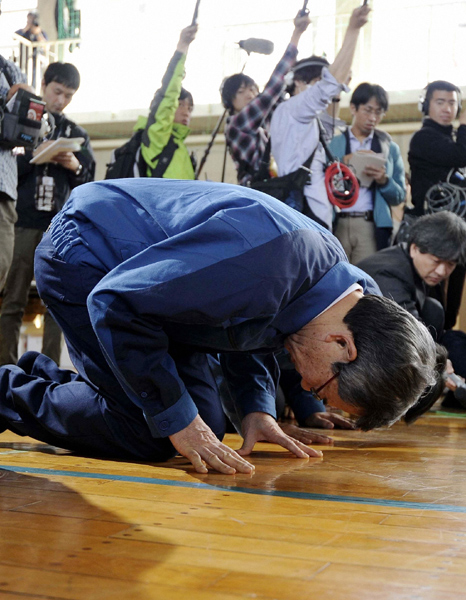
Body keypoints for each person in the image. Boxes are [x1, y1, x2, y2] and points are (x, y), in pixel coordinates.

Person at [0, 180, 437, 474]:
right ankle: (6, 390)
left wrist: (257, 408)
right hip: (86, 254)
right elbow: (115, 301)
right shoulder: (268, 264)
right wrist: (174, 419)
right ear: (342, 343)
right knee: (152, 432)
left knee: (203, 423)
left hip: (160, 304)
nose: (303, 384)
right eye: (319, 388)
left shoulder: (351, 297)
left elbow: (247, 326)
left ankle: (54, 382)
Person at [0, 62, 95, 367]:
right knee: (13, 300)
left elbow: (88, 177)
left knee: (57, 302)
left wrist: (73, 165)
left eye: (68, 96)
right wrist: (38, 156)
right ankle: (7, 368)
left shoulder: (75, 132)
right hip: (24, 222)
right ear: (43, 85)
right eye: (57, 92)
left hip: (58, 228)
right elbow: (9, 167)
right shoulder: (23, 122)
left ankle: (49, 369)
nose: (61, 100)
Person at [270, 4, 370, 229]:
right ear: (298, 82)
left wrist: (340, 78)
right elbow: (329, 86)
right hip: (306, 213)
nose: (321, 94)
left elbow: (331, 95)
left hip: (307, 210)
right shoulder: (293, 109)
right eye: (316, 84)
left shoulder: (300, 117)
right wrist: (353, 30)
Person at [358, 211, 466, 409]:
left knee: (447, 330)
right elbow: (408, 334)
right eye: (436, 261)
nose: (442, 271)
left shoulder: (421, 270)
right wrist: (441, 365)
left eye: (450, 264)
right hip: (362, 358)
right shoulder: (390, 272)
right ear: (415, 248)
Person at [220, 11, 310, 186]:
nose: (250, 95)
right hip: (257, 191)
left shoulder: (262, 122)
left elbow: (281, 94)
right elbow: (273, 90)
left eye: (253, 90)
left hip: (274, 187)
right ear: (229, 101)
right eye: (241, 91)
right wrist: (296, 35)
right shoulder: (237, 124)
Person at [408, 80, 466, 330]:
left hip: (456, 231)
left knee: (451, 306)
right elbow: (461, 155)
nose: (447, 108)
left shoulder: (450, 139)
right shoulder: (424, 138)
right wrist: (464, 124)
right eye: (440, 102)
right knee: (432, 308)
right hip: (432, 236)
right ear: (426, 105)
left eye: (452, 103)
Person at [329, 83, 405, 263]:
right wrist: (342, 164)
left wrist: (384, 180)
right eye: (368, 110)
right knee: (333, 277)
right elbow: (319, 182)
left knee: (368, 282)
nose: (373, 117)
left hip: (370, 224)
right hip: (336, 221)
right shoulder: (333, 143)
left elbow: (399, 196)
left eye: (378, 112)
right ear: (353, 108)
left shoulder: (389, 149)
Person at [133, 23, 197, 179]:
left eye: (189, 109)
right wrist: (182, 47)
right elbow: (168, 96)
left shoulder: (181, 148)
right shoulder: (157, 136)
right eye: (180, 105)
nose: (185, 112)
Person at [0, 54, 27, 293]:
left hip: (3, 189)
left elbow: (31, 135)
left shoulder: (10, 71)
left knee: (1, 264)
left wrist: (25, 105)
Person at [15, 11, 48, 87]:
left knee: (34, 82)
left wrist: (38, 33)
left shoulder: (41, 32)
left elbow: (46, 46)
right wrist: (27, 27)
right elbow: (15, 36)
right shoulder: (24, 32)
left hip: (35, 62)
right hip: (23, 60)